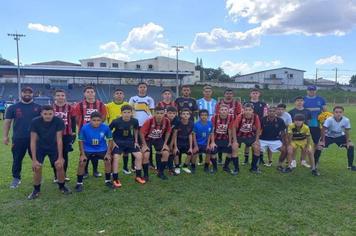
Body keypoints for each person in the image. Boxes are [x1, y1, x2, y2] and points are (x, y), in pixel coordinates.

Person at [27, 105, 71, 200]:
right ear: (41, 114)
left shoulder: (58, 121)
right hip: (40, 147)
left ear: (54, 113)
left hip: (53, 147)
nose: (48, 116)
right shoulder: (35, 121)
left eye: (50, 114)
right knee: (37, 167)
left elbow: (59, 139)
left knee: (59, 166)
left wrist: (60, 157)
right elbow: (33, 141)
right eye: (45, 114)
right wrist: (34, 160)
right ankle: (36, 190)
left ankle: (62, 186)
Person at [3, 87, 41, 188]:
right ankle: (16, 178)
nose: (27, 94)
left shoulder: (39, 107)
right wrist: (5, 136)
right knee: (17, 159)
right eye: (25, 92)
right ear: (21, 94)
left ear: (33, 94)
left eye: (29, 92)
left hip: (34, 139)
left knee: (36, 158)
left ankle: (37, 176)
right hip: (18, 138)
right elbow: (7, 122)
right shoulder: (13, 107)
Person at [74, 86, 107, 178]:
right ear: (84, 94)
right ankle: (85, 171)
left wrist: (97, 125)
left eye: (92, 91)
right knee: (84, 151)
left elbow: (103, 116)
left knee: (95, 150)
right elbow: (77, 118)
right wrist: (83, 127)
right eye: (88, 92)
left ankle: (95, 171)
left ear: (94, 93)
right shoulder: (80, 105)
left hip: (97, 132)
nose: (90, 93)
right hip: (84, 132)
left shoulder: (100, 104)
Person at [75, 112, 113, 192]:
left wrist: (108, 153)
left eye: (98, 120)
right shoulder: (84, 128)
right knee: (82, 162)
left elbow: (110, 139)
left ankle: (108, 181)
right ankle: (79, 183)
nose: (96, 122)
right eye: (94, 120)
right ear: (90, 120)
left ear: (101, 120)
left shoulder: (105, 127)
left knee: (108, 160)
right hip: (88, 149)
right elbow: (80, 140)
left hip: (101, 149)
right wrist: (82, 154)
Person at [109, 105, 146, 187]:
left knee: (139, 155)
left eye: (128, 112)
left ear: (131, 113)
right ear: (121, 113)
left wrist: (136, 141)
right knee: (116, 157)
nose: (126, 114)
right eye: (124, 112)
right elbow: (108, 131)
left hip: (130, 141)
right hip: (118, 142)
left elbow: (136, 130)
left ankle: (138, 176)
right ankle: (115, 178)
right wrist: (113, 142)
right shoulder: (116, 121)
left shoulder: (135, 121)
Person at [315, 106, 356, 171]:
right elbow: (323, 130)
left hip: (340, 136)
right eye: (336, 112)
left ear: (343, 113)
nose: (338, 114)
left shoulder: (346, 120)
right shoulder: (329, 119)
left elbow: (347, 131)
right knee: (319, 146)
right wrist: (322, 140)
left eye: (340, 112)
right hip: (328, 136)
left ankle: (350, 166)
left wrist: (348, 142)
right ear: (333, 113)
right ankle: (315, 165)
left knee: (351, 146)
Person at [140, 106, 171, 180]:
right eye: (157, 113)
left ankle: (160, 173)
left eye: (161, 113)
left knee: (166, 153)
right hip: (148, 139)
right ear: (154, 113)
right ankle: (146, 175)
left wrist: (165, 144)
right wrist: (144, 145)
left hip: (158, 139)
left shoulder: (167, 121)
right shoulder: (149, 121)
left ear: (164, 114)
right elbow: (141, 133)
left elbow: (168, 132)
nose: (159, 115)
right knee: (146, 154)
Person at [129, 82, 155, 168]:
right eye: (141, 87)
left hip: (147, 125)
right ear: (138, 88)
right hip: (136, 124)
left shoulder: (150, 99)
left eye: (144, 87)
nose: (142, 88)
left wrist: (151, 123)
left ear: (146, 88)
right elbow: (130, 111)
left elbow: (152, 112)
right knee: (136, 144)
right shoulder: (133, 99)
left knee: (148, 144)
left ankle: (149, 163)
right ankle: (134, 164)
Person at [52, 89, 76, 183]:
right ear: (55, 97)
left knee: (65, 155)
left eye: (62, 95)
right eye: (58, 95)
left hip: (66, 135)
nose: (60, 97)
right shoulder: (51, 107)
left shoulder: (70, 107)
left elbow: (73, 120)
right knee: (55, 155)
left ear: (65, 96)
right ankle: (56, 175)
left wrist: (74, 132)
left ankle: (64, 174)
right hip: (53, 136)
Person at [106, 88, 131, 175]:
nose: (119, 95)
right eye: (117, 93)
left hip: (125, 131)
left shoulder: (127, 104)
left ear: (123, 95)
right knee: (114, 151)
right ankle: (113, 169)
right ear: (114, 95)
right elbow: (108, 118)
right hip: (114, 132)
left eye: (121, 93)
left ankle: (125, 167)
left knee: (126, 151)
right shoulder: (108, 106)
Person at [231, 103, 261, 174]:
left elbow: (258, 128)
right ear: (243, 110)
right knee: (234, 147)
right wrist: (235, 141)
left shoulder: (255, 117)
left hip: (250, 136)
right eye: (246, 110)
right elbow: (234, 128)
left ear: (252, 111)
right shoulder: (240, 116)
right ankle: (236, 169)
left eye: (249, 110)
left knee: (257, 148)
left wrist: (257, 140)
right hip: (239, 136)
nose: (248, 111)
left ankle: (253, 168)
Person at [214, 89, 242, 165]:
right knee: (219, 140)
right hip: (221, 125)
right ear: (224, 94)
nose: (229, 95)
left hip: (232, 125)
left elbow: (239, 115)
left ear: (233, 95)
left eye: (230, 93)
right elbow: (217, 114)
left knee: (232, 142)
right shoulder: (219, 103)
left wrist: (236, 124)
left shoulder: (236, 103)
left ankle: (232, 158)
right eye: (227, 93)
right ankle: (219, 159)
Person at [243, 88, 267, 165]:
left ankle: (261, 158)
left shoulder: (263, 104)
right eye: (253, 93)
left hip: (259, 126)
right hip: (248, 126)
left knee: (259, 143)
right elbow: (243, 115)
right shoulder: (246, 103)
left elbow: (265, 115)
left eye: (256, 93)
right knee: (247, 144)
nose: (255, 94)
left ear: (259, 94)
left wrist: (261, 126)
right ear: (250, 94)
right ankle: (246, 160)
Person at [210, 105, 235, 174]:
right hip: (216, 139)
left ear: (228, 111)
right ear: (219, 111)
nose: (223, 111)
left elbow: (230, 130)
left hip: (225, 138)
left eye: (225, 110)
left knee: (230, 150)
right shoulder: (214, 117)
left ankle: (226, 167)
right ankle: (215, 167)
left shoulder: (230, 118)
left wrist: (230, 142)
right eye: (222, 110)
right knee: (213, 150)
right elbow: (212, 130)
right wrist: (212, 142)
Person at [288, 96, 312, 168]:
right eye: (298, 100)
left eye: (301, 101)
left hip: (304, 132)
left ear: (303, 102)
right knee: (294, 148)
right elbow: (290, 123)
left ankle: (303, 161)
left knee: (304, 148)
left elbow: (309, 121)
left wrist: (305, 130)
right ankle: (293, 161)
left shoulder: (308, 111)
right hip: (294, 133)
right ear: (295, 102)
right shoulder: (291, 112)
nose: (299, 102)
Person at [172, 108, 195, 174]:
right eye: (184, 114)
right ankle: (177, 167)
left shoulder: (191, 123)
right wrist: (175, 147)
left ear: (190, 116)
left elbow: (190, 135)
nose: (185, 115)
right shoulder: (178, 123)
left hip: (186, 142)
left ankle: (185, 166)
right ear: (181, 115)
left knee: (190, 152)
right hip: (178, 142)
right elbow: (175, 135)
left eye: (187, 114)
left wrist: (190, 147)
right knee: (176, 152)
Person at [166, 106, 180, 175]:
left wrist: (172, 144)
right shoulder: (164, 119)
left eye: (174, 113)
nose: (172, 115)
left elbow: (175, 132)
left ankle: (172, 168)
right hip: (163, 137)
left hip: (172, 137)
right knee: (164, 151)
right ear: (166, 113)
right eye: (170, 113)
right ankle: (164, 166)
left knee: (172, 150)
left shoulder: (177, 120)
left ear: (176, 114)